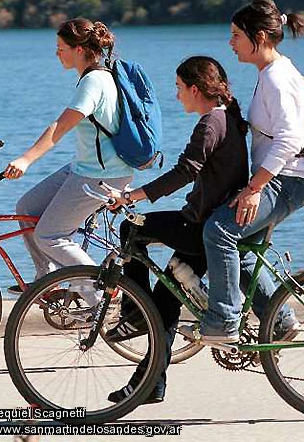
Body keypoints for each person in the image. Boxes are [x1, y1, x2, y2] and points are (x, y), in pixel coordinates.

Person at [104, 55, 256, 403]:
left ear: (194, 88)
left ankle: (133, 311)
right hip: (204, 222)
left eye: (177, 88)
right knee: (166, 299)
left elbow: (185, 171)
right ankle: (151, 383)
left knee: (132, 228)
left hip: (200, 226)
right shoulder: (226, 119)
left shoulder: (211, 123)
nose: (175, 96)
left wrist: (133, 195)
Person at [181, 0, 304, 344]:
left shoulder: (277, 78)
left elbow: (290, 139)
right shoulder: (272, 73)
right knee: (242, 241)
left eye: (236, 35)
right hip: (284, 176)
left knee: (219, 231)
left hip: (288, 179)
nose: (230, 42)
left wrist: (253, 188)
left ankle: (223, 321)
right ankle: (279, 321)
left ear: (260, 37)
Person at [4, 17, 133, 293]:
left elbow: (60, 128)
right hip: (86, 167)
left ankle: (98, 297)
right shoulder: (99, 76)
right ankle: (47, 278)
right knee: (27, 208)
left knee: (50, 235)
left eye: (60, 47)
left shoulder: (94, 81)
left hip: (102, 174)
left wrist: (25, 160)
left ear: (78, 49)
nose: (56, 53)